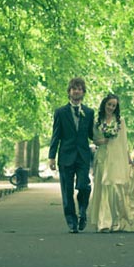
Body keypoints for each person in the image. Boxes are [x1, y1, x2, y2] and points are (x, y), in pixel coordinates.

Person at [89, 94, 134, 233]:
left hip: (116, 158)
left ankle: (117, 221)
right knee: (103, 187)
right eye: (109, 104)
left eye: (114, 106)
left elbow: (124, 143)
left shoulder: (120, 122)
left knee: (116, 188)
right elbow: (94, 140)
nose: (111, 108)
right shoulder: (97, 121)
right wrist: (103, 141)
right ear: (104, 104)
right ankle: (104, 222)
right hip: (102, 156)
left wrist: (128, 159)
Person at [48, 77, 95, 233]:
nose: (77, 91)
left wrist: (108, 135)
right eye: (74, 88)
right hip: (65, 156)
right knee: (67, 191)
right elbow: (56, 135)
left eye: (80, 88)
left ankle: (82, 212)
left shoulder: (89, 112)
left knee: (84, 186)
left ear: (83, 92)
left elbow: (91, 134)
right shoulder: (60, 112)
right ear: (69, 92)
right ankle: (71, 222)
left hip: (83, 156)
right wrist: (51, 156)